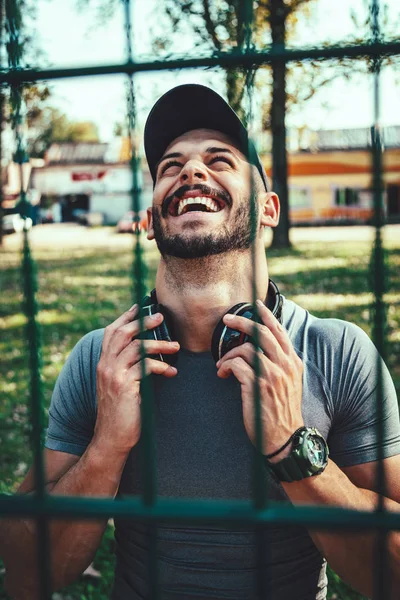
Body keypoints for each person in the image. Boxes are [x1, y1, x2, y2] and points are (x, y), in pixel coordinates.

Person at [1, 84, 400, 600]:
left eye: (219, 160)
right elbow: (27, 568)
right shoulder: (101, 361)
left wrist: (291, 449)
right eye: (170, 167)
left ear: (269, 208)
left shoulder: (339, 353)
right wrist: (105, 449)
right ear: (149, 221)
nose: (191, 172)